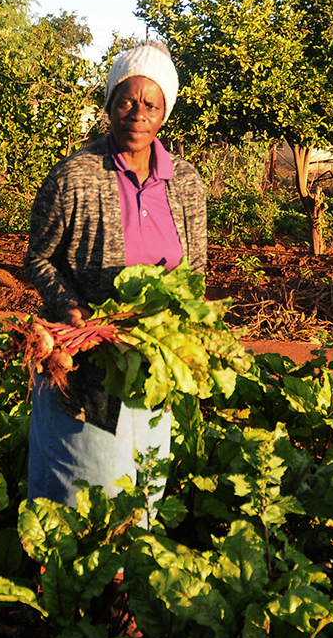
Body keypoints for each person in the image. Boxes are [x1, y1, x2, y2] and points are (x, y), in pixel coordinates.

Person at [24, 41, 208, 506]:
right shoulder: (75, 175)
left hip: (152, 369)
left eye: (151, 103)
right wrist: (68, 306)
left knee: (140, 493)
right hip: (86, 370)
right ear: (109, 105)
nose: (138, 112)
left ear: (165, 112)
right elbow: (38, 258)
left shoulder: (185, 182)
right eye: (127, 100)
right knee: (80, 497)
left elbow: (196, 272)